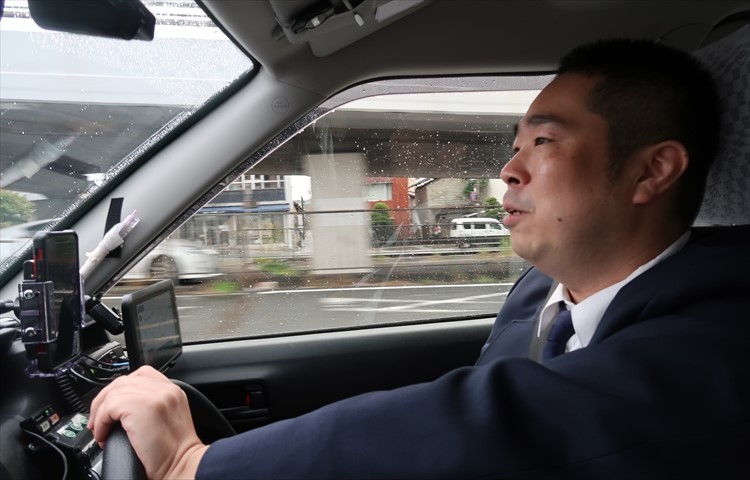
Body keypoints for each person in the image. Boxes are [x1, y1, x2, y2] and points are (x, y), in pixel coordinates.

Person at [89, 38, 750, 479]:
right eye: (515, 144)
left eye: (544, 141)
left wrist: (195, 464)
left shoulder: (723, 336)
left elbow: (503, 424)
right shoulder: (537, 292)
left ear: (652, 171)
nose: (509, 169)